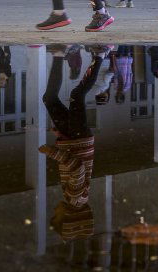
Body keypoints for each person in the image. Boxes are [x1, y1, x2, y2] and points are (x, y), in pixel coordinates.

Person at [41, 45, 102, 243]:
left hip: (71, 140)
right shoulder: (75, 198)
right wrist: (52, 152)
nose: (54, 211)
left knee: (49, 99)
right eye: (56, 215)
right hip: (79, 139)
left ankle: (58, 54)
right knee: (77, 96)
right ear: (65, 217)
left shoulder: (77, 199)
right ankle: (100, 55)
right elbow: (76, 168)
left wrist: (61, 140)